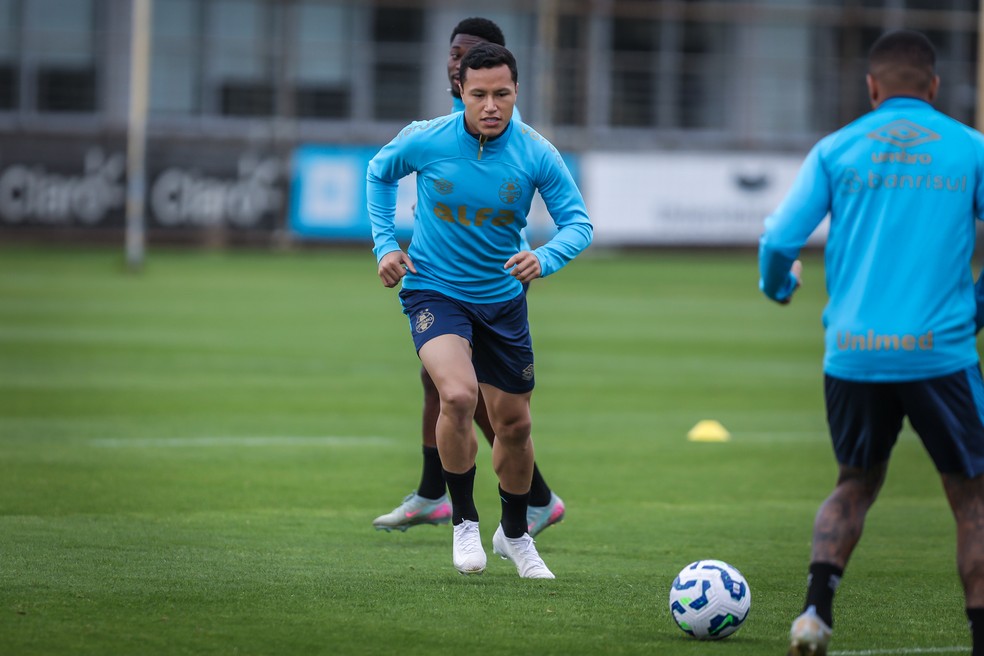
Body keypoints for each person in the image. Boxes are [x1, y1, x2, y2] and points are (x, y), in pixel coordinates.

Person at [759, 29, 984, 656]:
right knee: (972, 498)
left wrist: (778, 286)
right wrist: (975, 308)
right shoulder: (970, 148)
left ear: (872, 87)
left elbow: (778, 241)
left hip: (854, 352)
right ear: (934, 86)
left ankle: (814, 613)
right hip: (939, 352)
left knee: (853, 483)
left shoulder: (837, 148)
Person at [367, 43, 592, 578]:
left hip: (503, 301)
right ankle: (464, 521)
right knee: (457, 394)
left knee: (515, 425)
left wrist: (545, 257)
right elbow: (378, 173)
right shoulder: (427, 138)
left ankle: (515, 535)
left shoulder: (536, 153)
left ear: (516, 93)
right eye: (479, 95)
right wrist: (385, 245)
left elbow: (578, 224)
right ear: (461, 93)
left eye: (502, 94)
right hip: (435, 290)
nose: (491, 105)